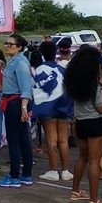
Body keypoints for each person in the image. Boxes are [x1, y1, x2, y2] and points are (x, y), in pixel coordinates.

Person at [66, 46, 102, 203]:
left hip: (80, 122)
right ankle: (94, 201)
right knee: (95, 161)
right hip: (95, 123)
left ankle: (75, 191)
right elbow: (101, 109)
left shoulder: (73, 81)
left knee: (82, 158)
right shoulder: (94, 85)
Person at [34, 40, 74, 182]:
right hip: (64, 107)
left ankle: (53, 170)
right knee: (63, 140)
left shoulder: (39, 70)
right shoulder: (62, 69)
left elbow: (37, 92)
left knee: (51, 140)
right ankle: (65, 171)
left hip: (48, 108)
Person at [0, 34, 34, 188]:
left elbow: (26, 87)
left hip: (16, 102)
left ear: (19, 47)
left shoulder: (20, 63)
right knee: (22, 139)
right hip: (14, 101)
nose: (7, 46)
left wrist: (24, 107)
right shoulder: (15, 61)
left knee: (15, 140)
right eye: (6, 43)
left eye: (11, 44)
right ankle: (25, 174)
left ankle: (14, 176)